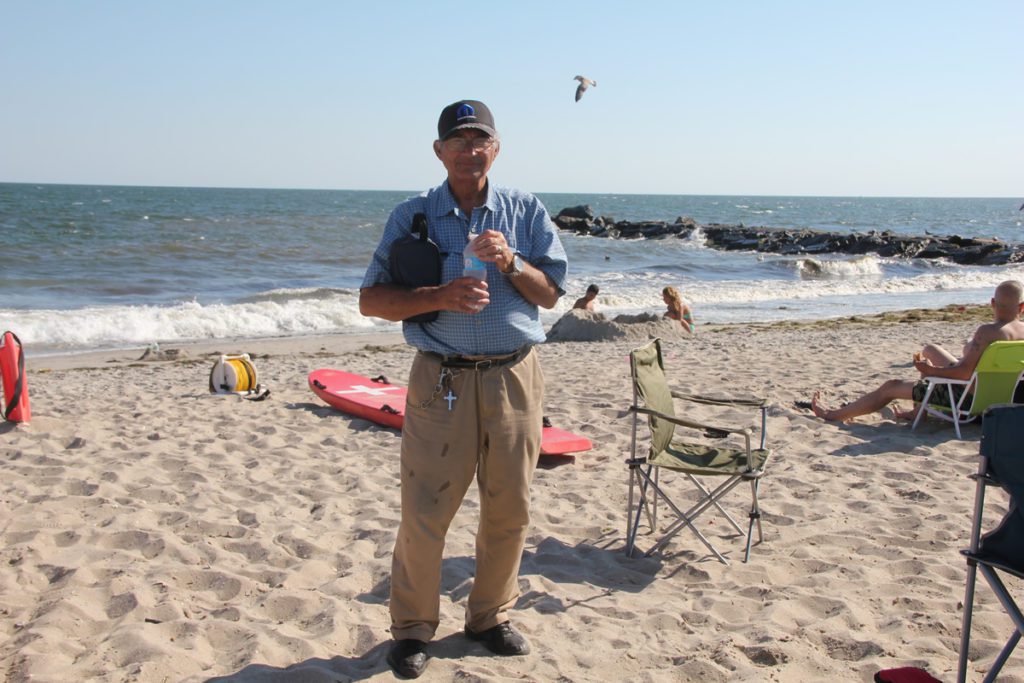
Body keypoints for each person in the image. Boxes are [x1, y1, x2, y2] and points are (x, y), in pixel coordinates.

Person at [359, 99, 568, 679]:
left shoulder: (526, 211)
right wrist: (440, 296)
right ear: (440, 151)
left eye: (481, 140)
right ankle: (412, 630)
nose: (470, 151)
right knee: (426, 512)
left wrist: (510, 261)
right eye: (459, 141)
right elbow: (371, 299)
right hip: (440, 378)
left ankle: (488, 618)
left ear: (495, 149)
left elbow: (550, 293)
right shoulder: (414, 215)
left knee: (510, 508)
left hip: (514, 376)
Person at [812, 280, 1024, 423]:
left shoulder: (987, 332)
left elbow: (963, 374)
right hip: (1001, 399)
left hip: (967, 399)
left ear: (992, 303)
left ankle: (832, 415)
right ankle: (918, 412)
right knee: (930, 350)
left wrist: (930, 372)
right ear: (1022, 307)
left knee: (890, 387)